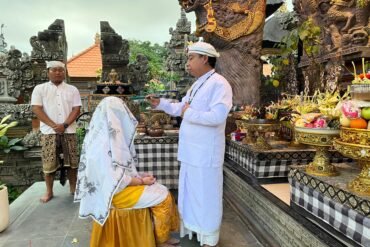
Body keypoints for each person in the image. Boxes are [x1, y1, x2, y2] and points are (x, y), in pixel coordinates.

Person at [147, 42, 233, 247]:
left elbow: (218, 117)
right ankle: (194, 230)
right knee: (190, 192)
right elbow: (180, 107)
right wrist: (161, 104)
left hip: (205, 153)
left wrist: (188, 113)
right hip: (191, 151)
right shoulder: (198, 84)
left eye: (191, 58)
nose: (187, 63)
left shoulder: (220, 84)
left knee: (207, 194)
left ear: (205, 58)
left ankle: (209, 237)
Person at [74, 97, 180, 247]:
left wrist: (139, 176)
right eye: (119, 114)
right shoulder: (102, 143)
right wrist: (142, 181)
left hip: (117, 188)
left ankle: (161, 235)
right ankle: (161, 240)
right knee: (163, 197)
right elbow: (115, 179)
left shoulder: (102, 136)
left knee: (162, 190)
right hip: (113, 194)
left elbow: (121, 169)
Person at [31, 61, 81, 203]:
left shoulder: (72, 89)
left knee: (73, 162)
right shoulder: (40, 89)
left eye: (61, 70)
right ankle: (49, 191)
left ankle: (73, 187)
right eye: (54, 70)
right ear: (48, 72)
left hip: (69, 131)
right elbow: (36, 109)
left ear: (64, 72)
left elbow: (76, 109)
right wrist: (54, 125)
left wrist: (64, 125)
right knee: (49, 163)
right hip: (48, 132)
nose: (58, 72)